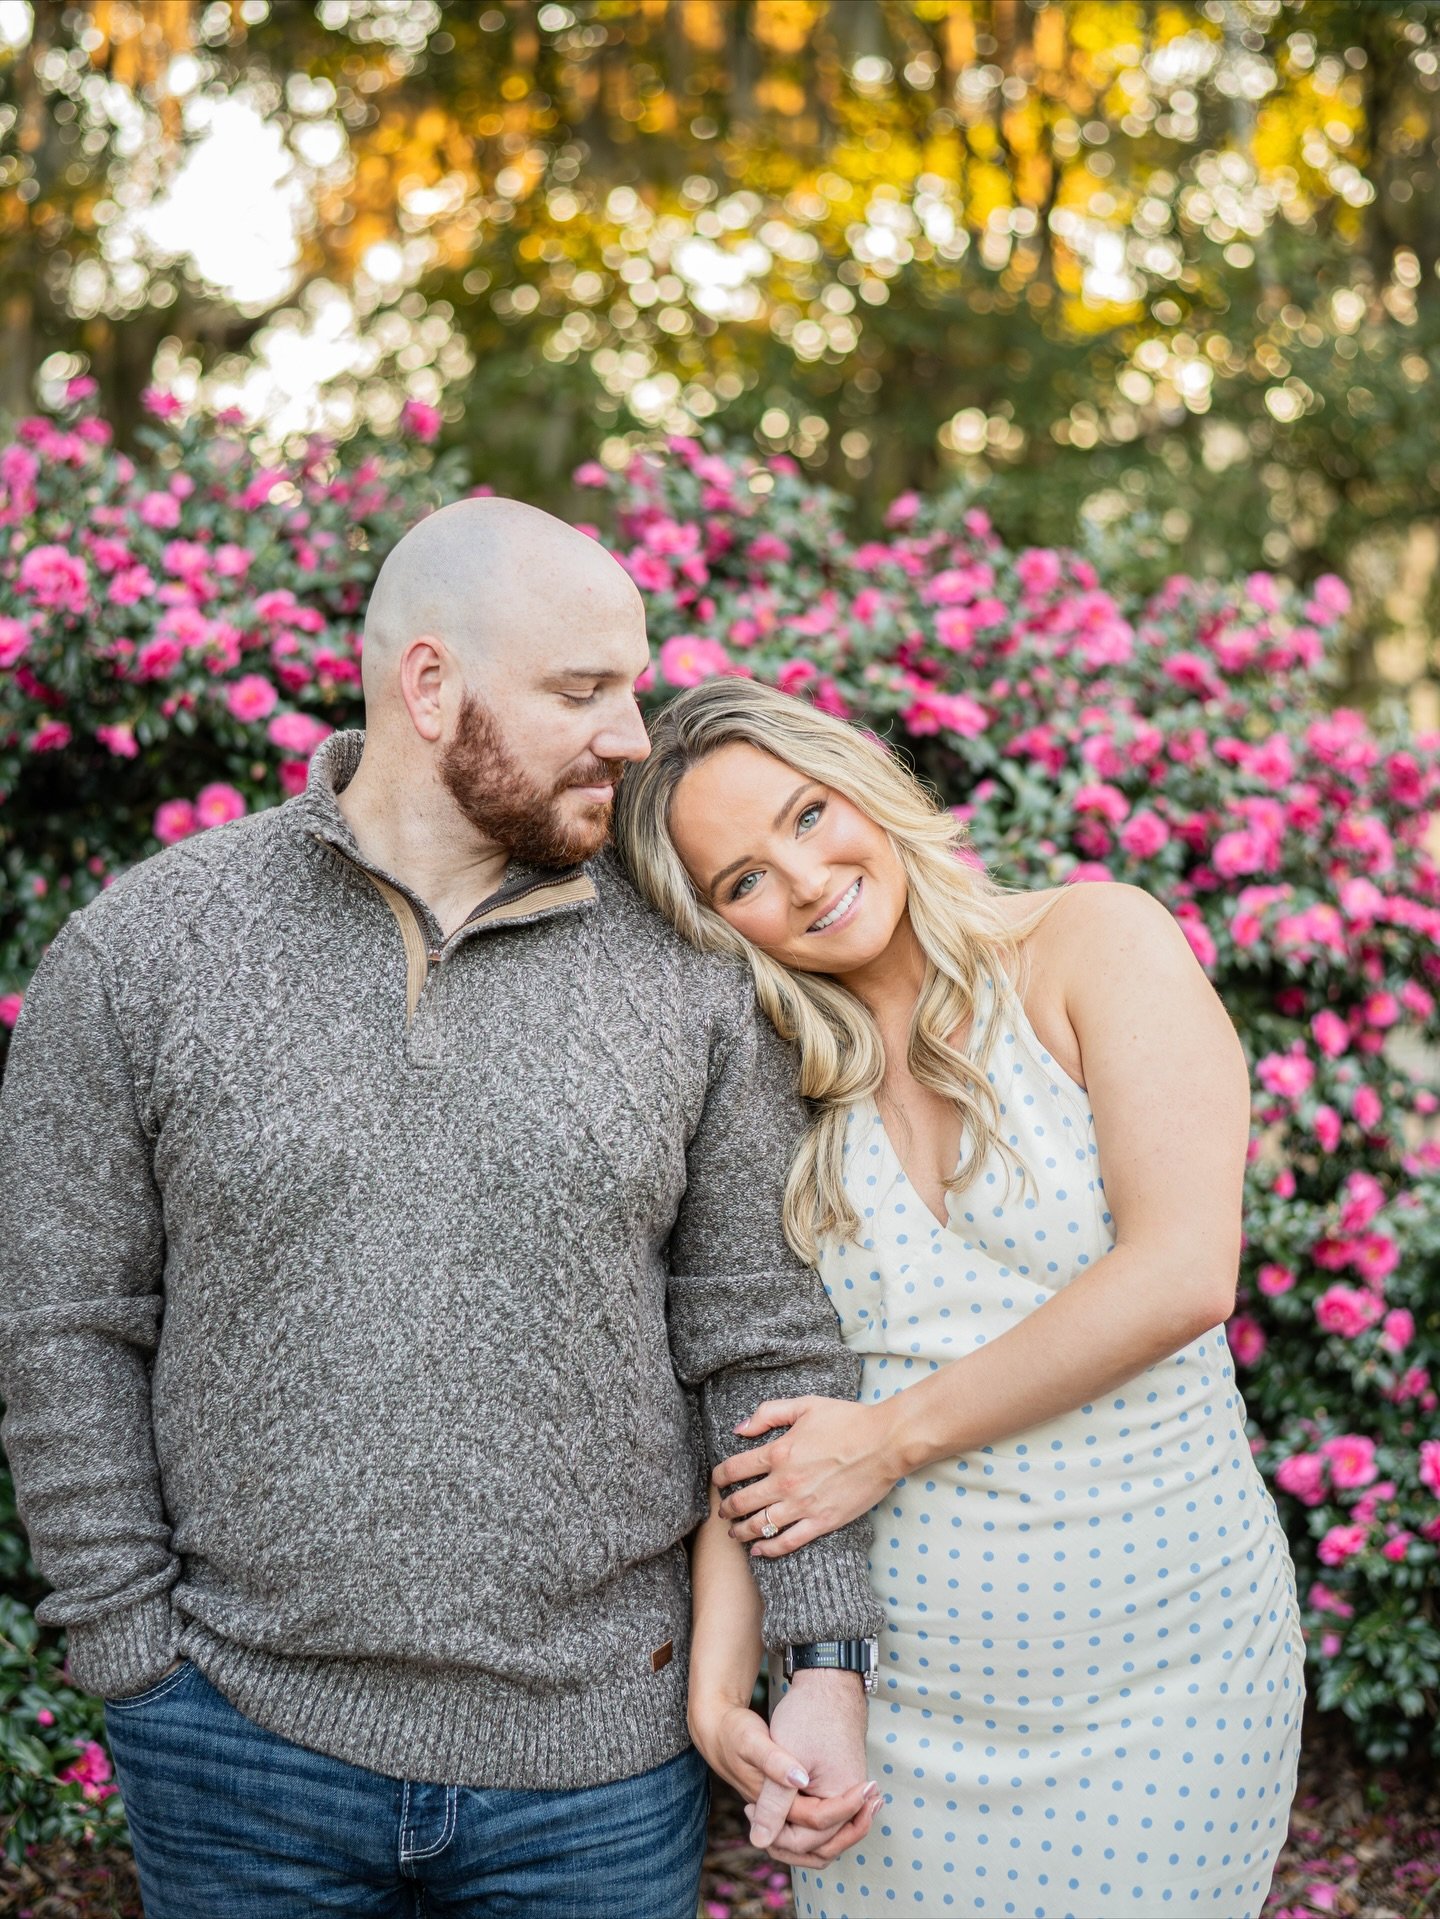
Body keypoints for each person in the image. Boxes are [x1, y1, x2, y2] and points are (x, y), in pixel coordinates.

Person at [0, 499, 885, 1919]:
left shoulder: (689, 974)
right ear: (431, 685)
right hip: (239, 1755)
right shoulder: (145, 951)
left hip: (601, 1770)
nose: (633, 735)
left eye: (634, 684)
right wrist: (135, 1662)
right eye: (585, 689)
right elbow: (65, 1326)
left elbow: (764, 1345)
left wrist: (822, 1656)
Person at [614, 677, 1306, 1919]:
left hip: (1172, 1675)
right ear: (720, 926)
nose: (806, 875)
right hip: (903, 1712)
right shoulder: (779, 1085)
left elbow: (1183, 1272)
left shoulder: (1095, 941)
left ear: (864, 786)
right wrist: (723, 1688)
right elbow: (764, 1398)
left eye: (809, 813)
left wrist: (885, 1439)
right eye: (744, 880)